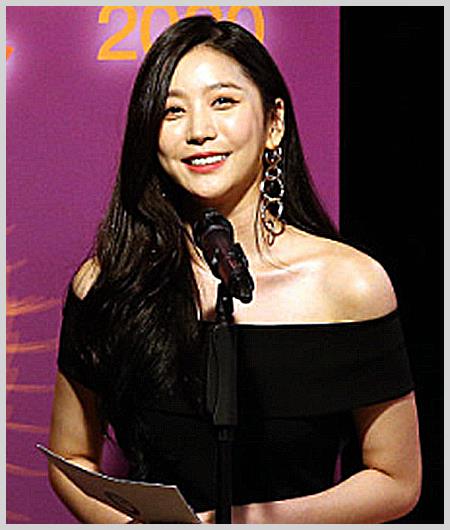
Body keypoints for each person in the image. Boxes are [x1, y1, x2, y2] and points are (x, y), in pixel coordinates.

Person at [48, 16, 421, 524]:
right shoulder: (107, 284)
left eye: (222, 102)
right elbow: (71, 458)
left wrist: (235, 523)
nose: (199, 131)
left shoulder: (350, 284)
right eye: (172, 111)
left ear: (274, 123)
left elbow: (396, 480)